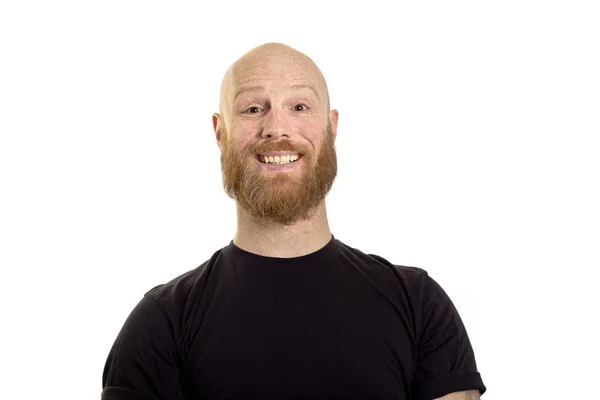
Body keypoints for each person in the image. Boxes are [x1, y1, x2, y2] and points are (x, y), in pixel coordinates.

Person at [101, 42, 486, 400]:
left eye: (299, 107)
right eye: (253, 109)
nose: (276, 128)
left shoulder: (419, 305)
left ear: (331, 126)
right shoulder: (161, 321)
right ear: (221, 133)